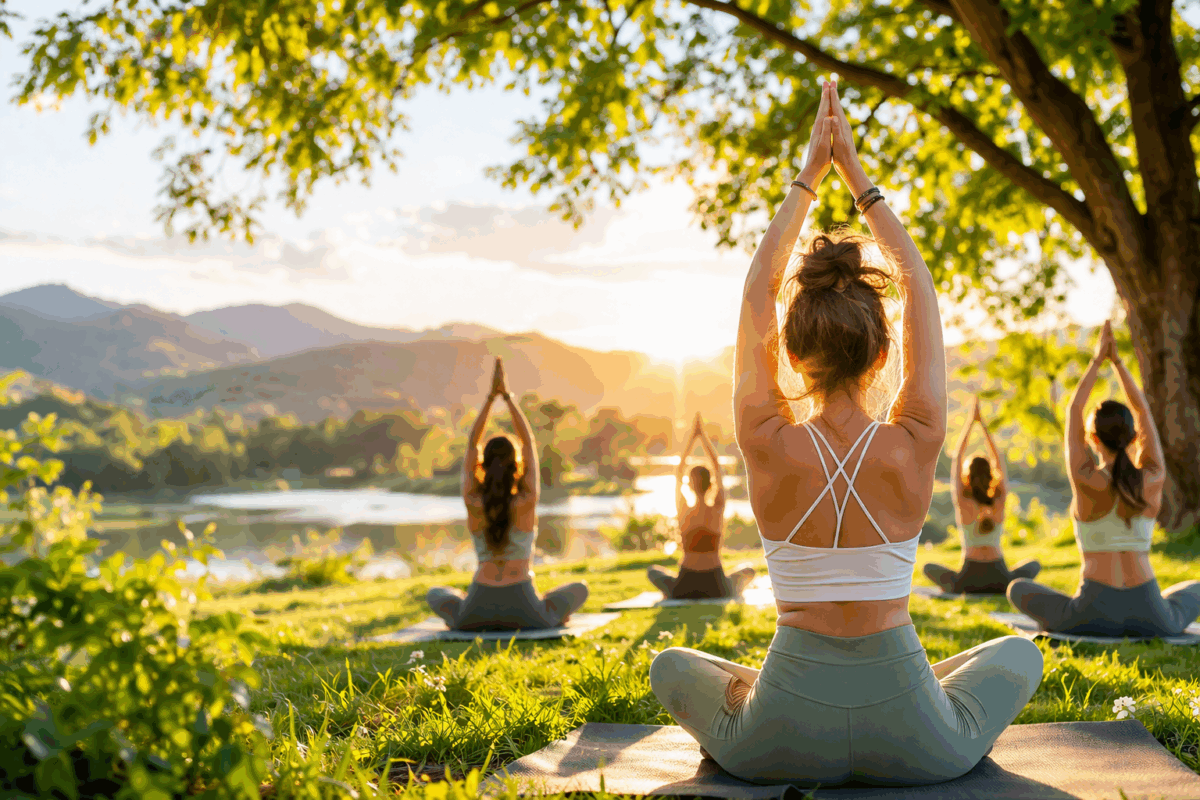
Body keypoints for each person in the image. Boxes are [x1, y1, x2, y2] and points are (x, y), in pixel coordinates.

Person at [648, 78, 1042, 787]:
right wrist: (860, 181)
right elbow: (916, 282)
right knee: (1019, 655)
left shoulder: (764, 433)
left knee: (671, 666)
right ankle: (922, 692)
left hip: (779, 743)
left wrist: (808, 177)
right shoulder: (916, 436)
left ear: (790, 355)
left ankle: (769, 693)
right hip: (918, 747)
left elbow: (757, 293)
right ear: (885, 353)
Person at [1007, 321, 1200, 637]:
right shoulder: (1152, 477)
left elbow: (1074, 411)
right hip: (1151, 615)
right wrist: (1120, 364)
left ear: (1092, 438)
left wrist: (1098, 361)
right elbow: (1143, 410)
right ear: (1133, 436)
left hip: (1093, 614)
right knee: (1196, 589)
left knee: (1018, 588)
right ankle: (1164, 611)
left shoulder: (1085, 480)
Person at [425, 358, 588, 630]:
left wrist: (491, 398)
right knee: (579, 588)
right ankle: (548, 609)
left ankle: (465, 612)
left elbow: (471, 443)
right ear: (517, 465)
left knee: (436, 594)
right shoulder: (526, 501)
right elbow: (528, 442)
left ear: (483, 465)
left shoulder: (473, 501)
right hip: (524, 607)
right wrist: (508, 397)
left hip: (477, 607)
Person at [923, 396, 1041, 594]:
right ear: (990, 475)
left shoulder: (964, 500)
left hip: (969, 578)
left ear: (967, 477)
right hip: (1000, 577)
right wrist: (983, 426)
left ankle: (958, 587)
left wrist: (971, 423)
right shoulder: (999, 500)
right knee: (1034, 565)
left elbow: (958, 458)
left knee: (928, 568)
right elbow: (999, 460)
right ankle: (1006, 586)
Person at [647, 413, 756, 599]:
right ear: (711, 483)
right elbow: (717, 466)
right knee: (749, 570)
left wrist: (693, 438)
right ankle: (734, 589)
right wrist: (703, 437)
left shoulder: (683, 510)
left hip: (685, 585)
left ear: (688, 484)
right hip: (716, 585)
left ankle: (672, 592)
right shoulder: (717, 509)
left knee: (653, 571)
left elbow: (679, 470)